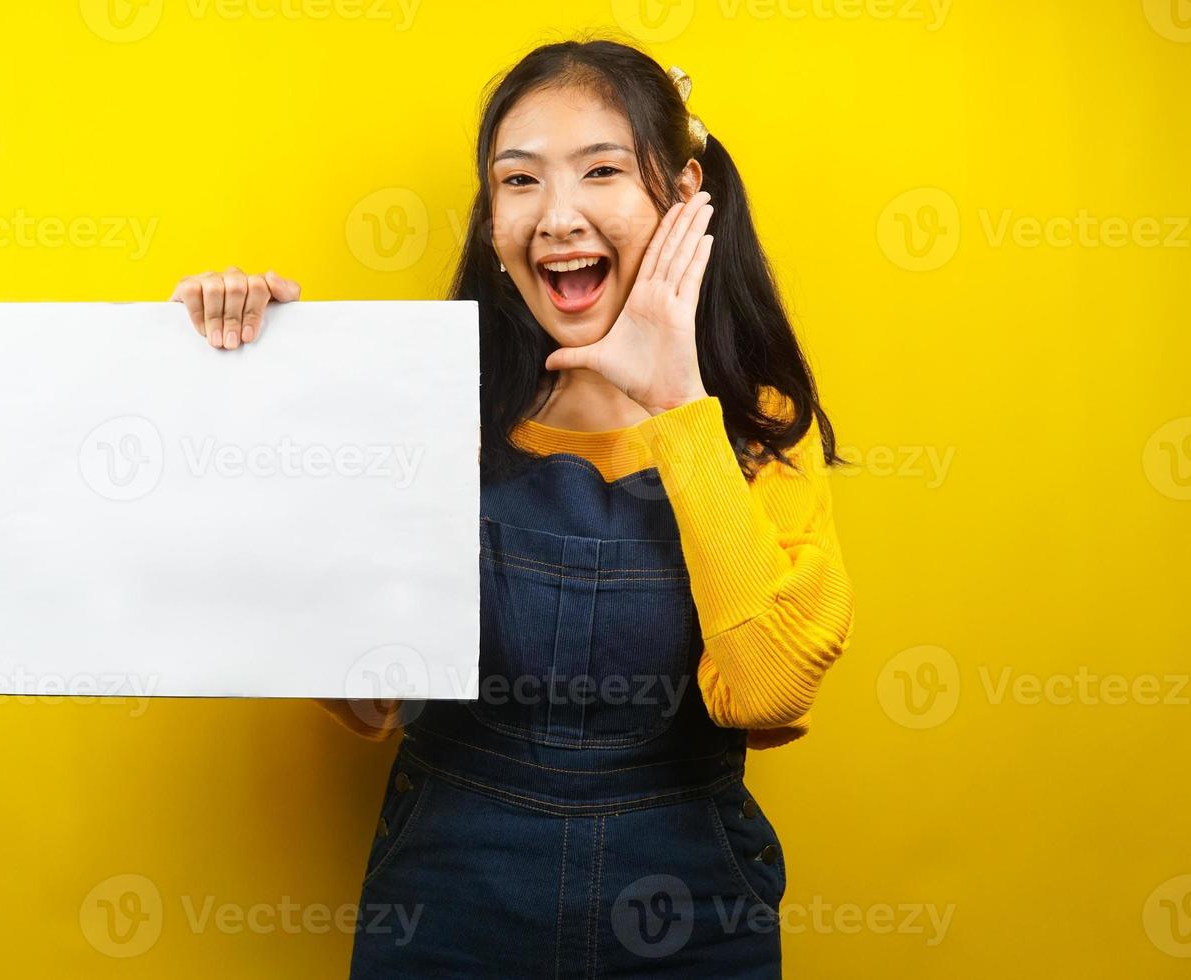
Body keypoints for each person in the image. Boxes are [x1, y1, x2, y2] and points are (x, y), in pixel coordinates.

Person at [170, 36, 854, 979]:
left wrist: (680, 410)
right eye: (519, 181)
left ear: (683, 192)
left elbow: (770, 695)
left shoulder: (754, 433)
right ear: (492, 219)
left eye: (602, 171)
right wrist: (261, 381)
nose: (556, 217)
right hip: (451, 896)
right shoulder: (431, 414)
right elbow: (369, 701)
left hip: (689, 907)